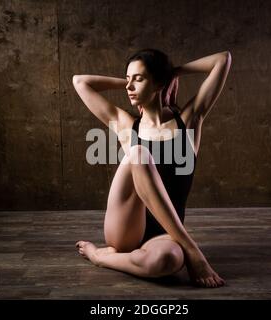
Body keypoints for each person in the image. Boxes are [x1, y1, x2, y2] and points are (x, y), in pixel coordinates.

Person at [73, 48, 232, 288]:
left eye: (138, 79)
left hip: (166, 235)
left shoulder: (187, 123)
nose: (129, 87)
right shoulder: (126, 125)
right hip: (126, 229)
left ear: (160, 83)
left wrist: (171, 74)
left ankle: (105, 257)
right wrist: (133, 82)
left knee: (167, 261)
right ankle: (192, 250)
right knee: (139, 153)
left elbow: (222, 59)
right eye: (128, 80)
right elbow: (80, 82)